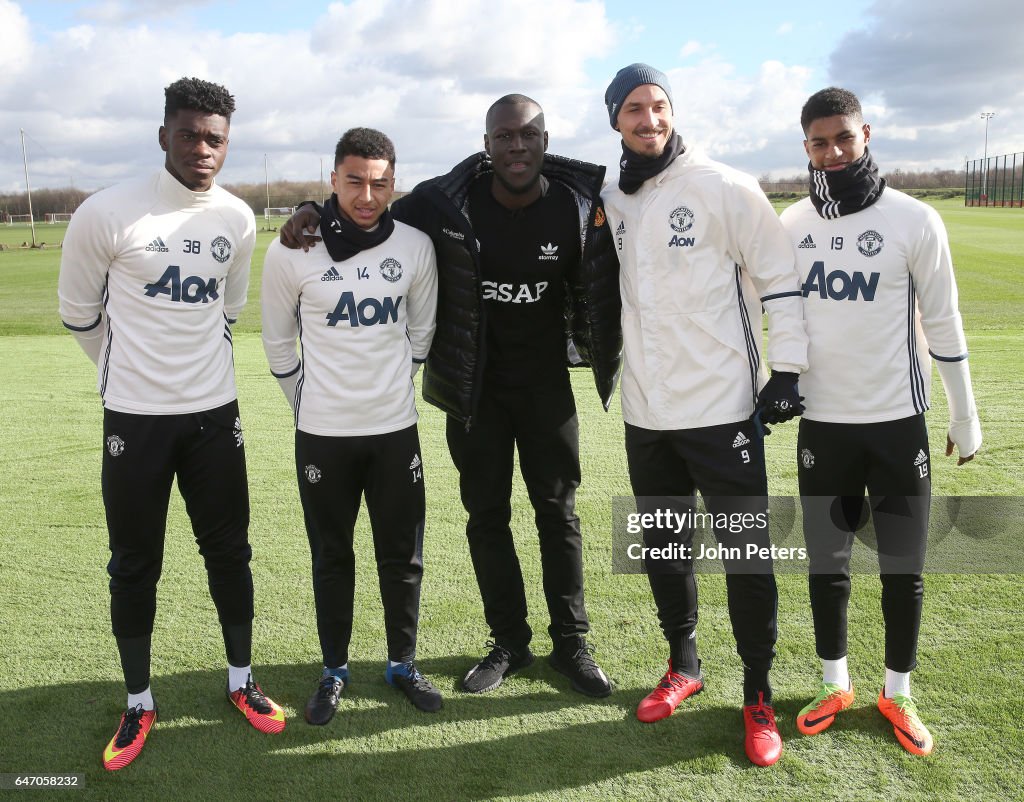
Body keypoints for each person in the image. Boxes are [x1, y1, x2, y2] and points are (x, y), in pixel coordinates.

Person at [280, 94, 621, 698]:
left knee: (558, 515)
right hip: (476, 395)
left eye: (528, 135)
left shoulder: (580, 203)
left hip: (547, 390)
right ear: (486, 144)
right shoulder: (442, 203)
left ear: (546, 139)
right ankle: (509, 643)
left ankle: (571, 644)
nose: (517, 147)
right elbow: (365, 204)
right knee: (486, 518)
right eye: (504, 136)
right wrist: (312, 206)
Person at [57, 77, 285, 771]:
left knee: (231, 554)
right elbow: (79, 314)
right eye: (189, 134)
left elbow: (227, 312)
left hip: (216, 416)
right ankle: (139, 700)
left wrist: (188, 377)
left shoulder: (238, 219)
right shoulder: (106, 212)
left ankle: (242, 683)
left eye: (215, 137)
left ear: (227, 142)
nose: (203, 148)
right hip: (135, 419)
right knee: (134, 564)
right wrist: (130, 375)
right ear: (164, 135)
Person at [600, 64, 809, 767]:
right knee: (664, 546)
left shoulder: (724, 185)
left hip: (722, 410)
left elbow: (780, 277)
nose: (649, 119)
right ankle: (683, 664)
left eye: (658, 106)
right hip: (646, 411)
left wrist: (787, 370)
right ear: (615, 120)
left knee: (746, 556)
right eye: (634, 109)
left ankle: (758, 693)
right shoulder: (611, 193)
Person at [780, 87, 982, 756]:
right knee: (827, 565)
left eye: (843, 137)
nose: (833, 152)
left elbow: (946, 321)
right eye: (819, 142)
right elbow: (776, 318)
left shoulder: (915, 220)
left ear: (866, 134)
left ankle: (896, 692)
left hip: (899, 425)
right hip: (824, 428)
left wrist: (964, 412)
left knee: (903, 567)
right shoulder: (790, 226)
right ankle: (834, 682)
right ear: (805, 147)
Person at [262, 127, 441, 720]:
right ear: (333, 178)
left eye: (380, 182)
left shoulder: (414, 246)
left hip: (394, 431)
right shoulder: (293, 248)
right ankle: (334, 669)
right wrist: (309, 401)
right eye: (355, 181)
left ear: (394, 181)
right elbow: (277, 342)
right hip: (322, 435)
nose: (368, 194)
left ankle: (402, 664)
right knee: (332, 556)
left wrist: (390, 388)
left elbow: (422, 333)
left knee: (402, 555)